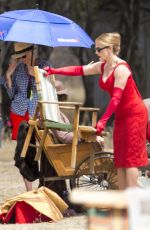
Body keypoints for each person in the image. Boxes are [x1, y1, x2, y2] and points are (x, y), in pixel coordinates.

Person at [43, 32, 148, 190]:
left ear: (110, 49)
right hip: (121, 115)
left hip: (134, 114)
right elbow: (79, 70)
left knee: (130, 158)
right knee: (120, 158)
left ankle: (132, 199)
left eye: (99, 49)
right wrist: (54, 71)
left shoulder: (122, 69)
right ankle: (122, 197)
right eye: (96, 49)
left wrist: (103, 121)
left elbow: (116, 98)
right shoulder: (103, 66)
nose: (96, 52)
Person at [0, 42, 50, 191]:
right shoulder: (18, 68)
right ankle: (29, 190)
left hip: (38, 113)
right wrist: (8, 76)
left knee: (44, 148)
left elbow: (50, 89)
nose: (22, 59)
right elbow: (12, 93)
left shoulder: (45, 66)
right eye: (19, 56)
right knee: (24, 151)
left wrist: (36, 75)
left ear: (34, 51)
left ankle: (45, 184)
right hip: (19, 112)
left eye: (24, 55)